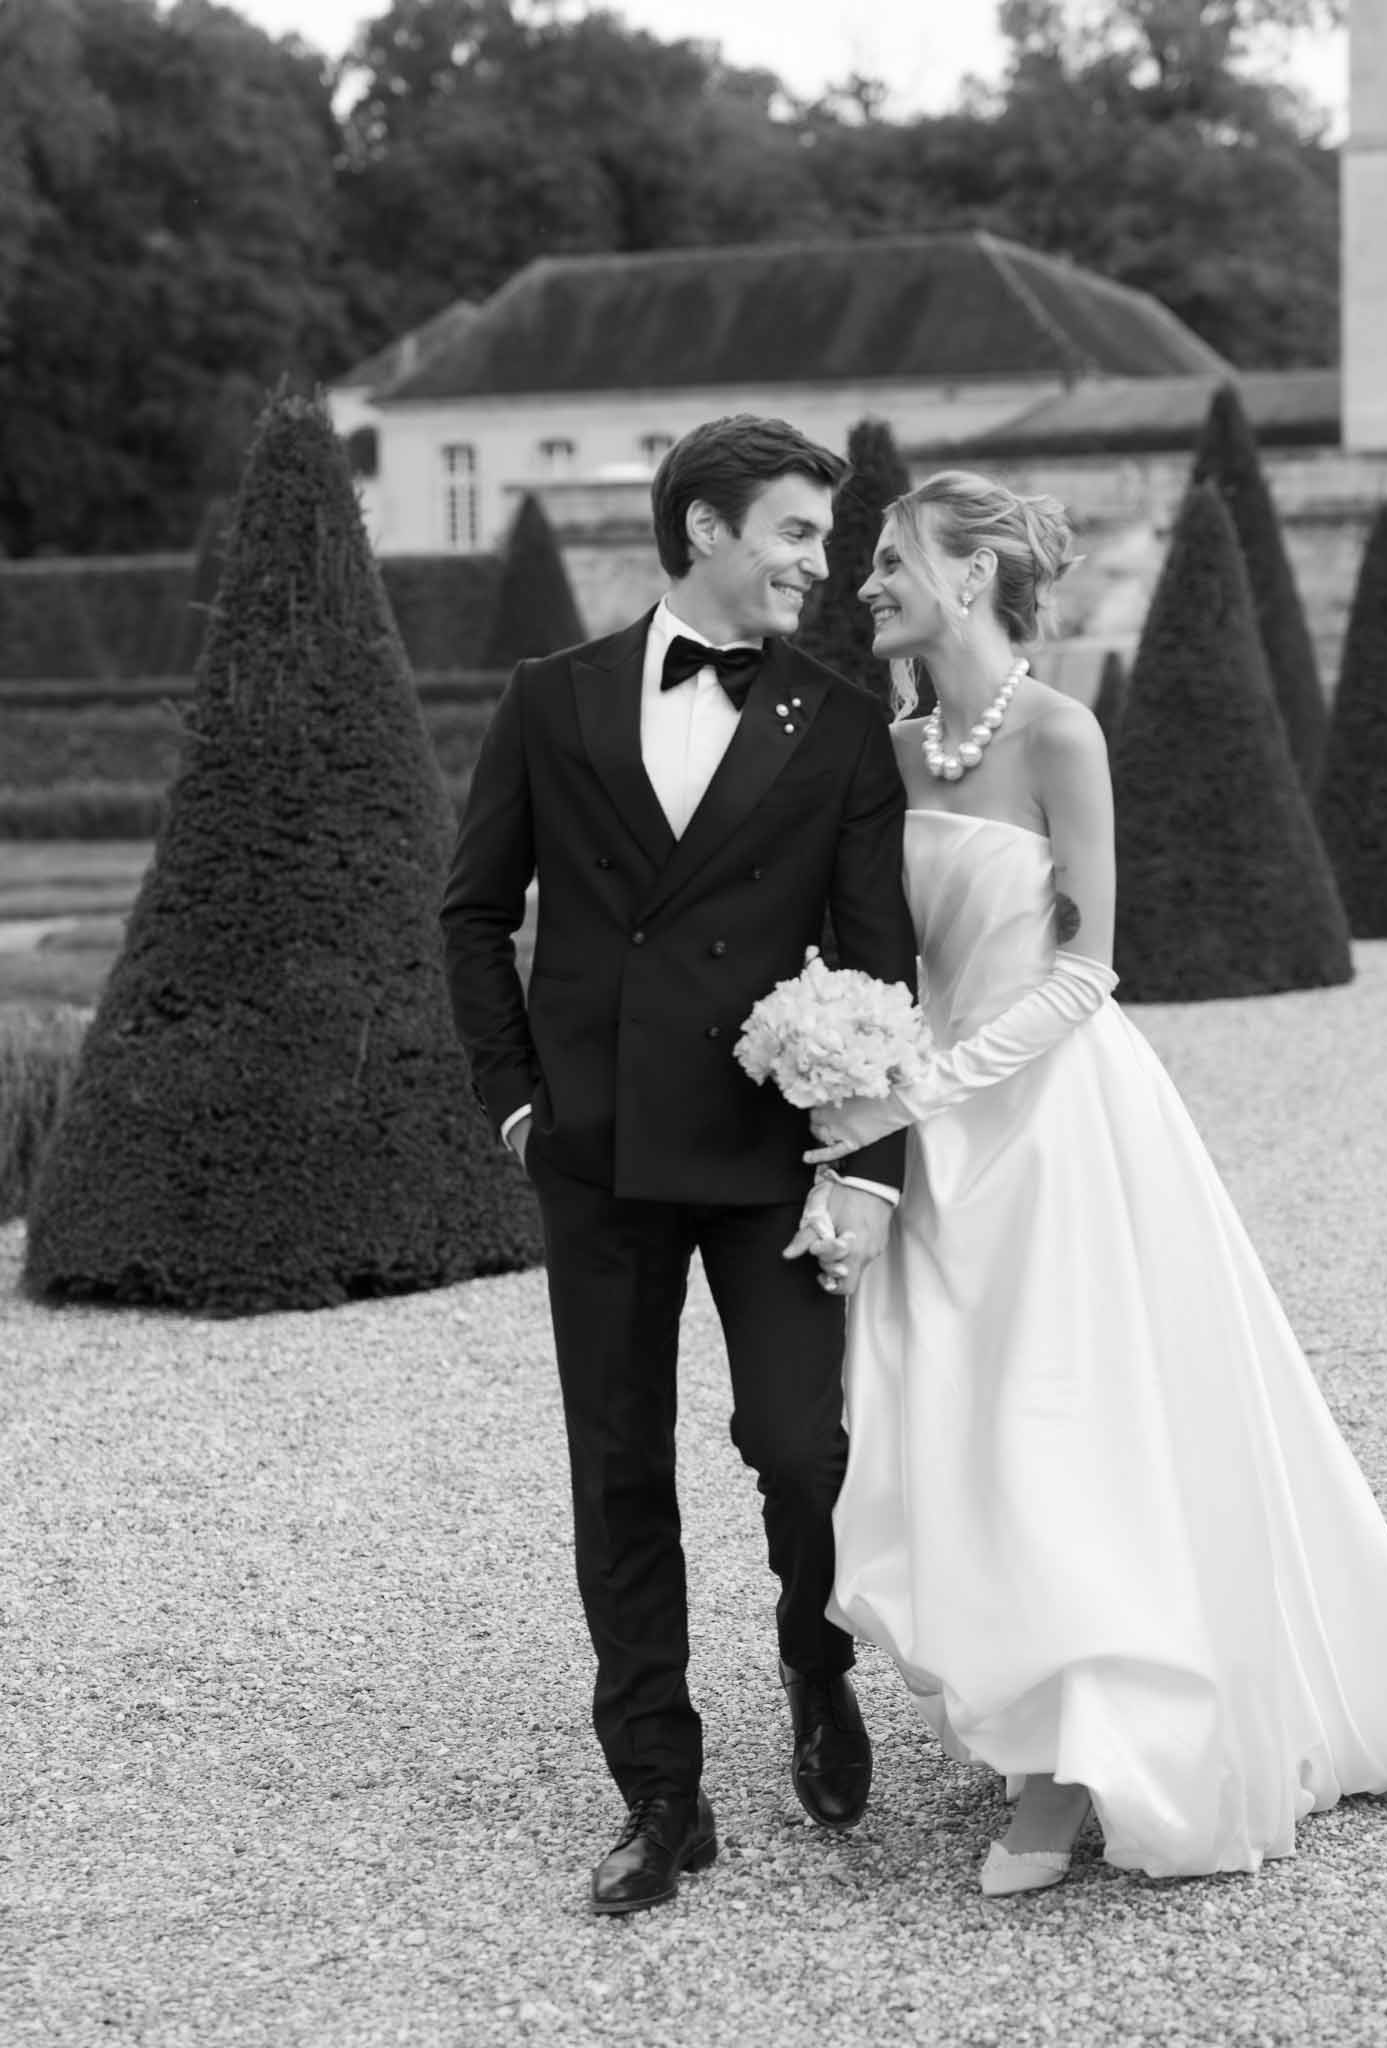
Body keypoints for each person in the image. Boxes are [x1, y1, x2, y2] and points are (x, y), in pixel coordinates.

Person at [801, 470, 1387, 1896]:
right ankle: (1028, 1729)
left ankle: (1078, 1768)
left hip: (1058, 1131)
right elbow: (875, 956)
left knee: (1068, 1428)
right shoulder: (883, 750)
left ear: (972, 575)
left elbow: (1086, 970)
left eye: (891, 561)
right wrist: (844, 1069)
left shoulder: (1060, 733)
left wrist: (922, 1084)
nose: (866, 582)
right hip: (930, 1153)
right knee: (957, 1431)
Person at [441, 415, 918, 1916]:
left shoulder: (837, 721)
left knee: (800, 1447)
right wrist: (519, 1105)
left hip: (769, 1152)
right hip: (597, 1154)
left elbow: (878, 956)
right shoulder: (551, 697)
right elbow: (471, 912)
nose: (816, 565)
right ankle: (659, 1788)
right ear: (705, 529)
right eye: (792, 533)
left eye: (825, 542)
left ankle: (812, 1653)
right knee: (617, 1470)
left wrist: (869, 1165)